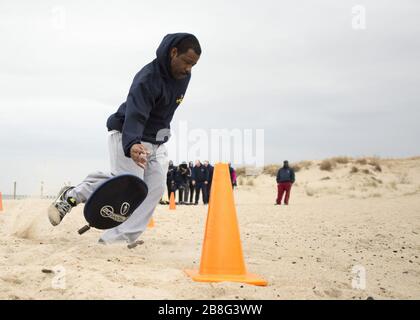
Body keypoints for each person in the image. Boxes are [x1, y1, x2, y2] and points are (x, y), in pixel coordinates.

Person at [47, 33, 201, 245]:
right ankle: (72, 196)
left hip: (156, 141)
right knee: (128, 185)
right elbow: (136, 114)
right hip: (128, 133)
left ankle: (117, 239)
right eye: (186, 62)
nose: (188, 69)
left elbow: (164, 112)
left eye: (193, 65)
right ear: (173, 53)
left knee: (153, 189)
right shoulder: (147, 78)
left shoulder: (184, 77)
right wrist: (132, 144)